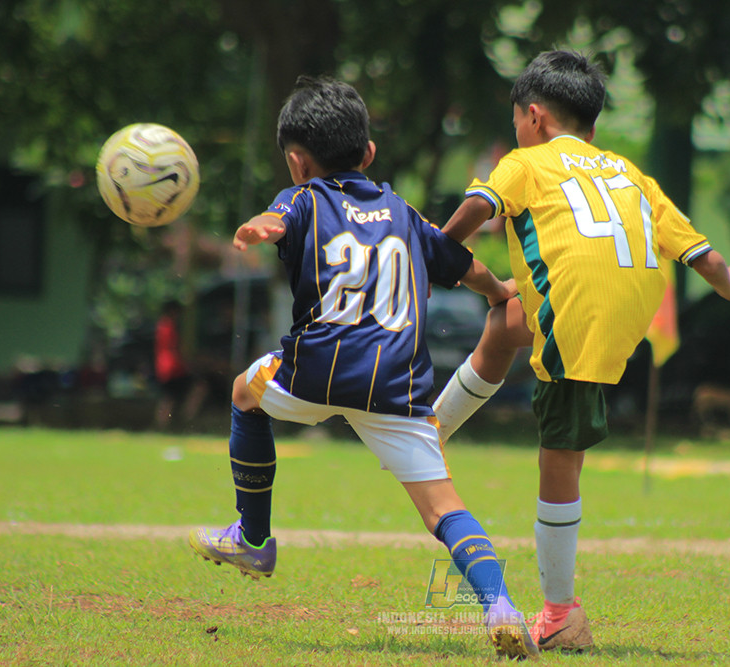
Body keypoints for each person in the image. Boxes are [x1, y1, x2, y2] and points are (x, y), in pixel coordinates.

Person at [187, 75, 538, 660]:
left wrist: (260, 228)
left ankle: (252, 538)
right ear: (369, 153)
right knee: (444, 507)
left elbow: (278, 222)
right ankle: (501, 608)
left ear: (298, 163)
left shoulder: (301, 198)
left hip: (314, 370)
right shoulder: (403, 212)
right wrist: (502, 294)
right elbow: (461, 263)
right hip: (395, 386)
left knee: (244, 393)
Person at [433, 50, 730, 652]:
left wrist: (434, 244)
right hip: (620, 309)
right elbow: (702, 255)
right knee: (507, 319)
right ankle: (432, 430)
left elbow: (477, 210)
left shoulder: (525, 163)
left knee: (559, 461)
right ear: (592, 127)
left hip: (578, 317)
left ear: (532, 117)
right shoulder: (630, 173)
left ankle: (560, 613)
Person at [153, 300, 208, 430]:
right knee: (199, 388)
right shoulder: (170, 327)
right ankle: (187, 420)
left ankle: (162, 426)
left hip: (164, 368)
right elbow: (177, 349)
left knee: (168, 398)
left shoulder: (161, 326)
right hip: (174, 368)